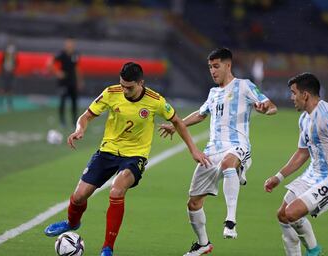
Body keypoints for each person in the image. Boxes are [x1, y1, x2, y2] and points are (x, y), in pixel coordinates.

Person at [44, 62, 210, 256]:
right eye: (122, 85)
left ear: (141, 83)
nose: (124, 90)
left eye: (129, 87)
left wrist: (193, 150)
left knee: (116, 189)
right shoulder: (111, 92)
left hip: (135, 155)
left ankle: (107, 248)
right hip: (107, 151)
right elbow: (86, 116)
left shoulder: (155, 100)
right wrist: (79, 129)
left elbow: (177, 122)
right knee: (79, 196)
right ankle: (72, 223)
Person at [159, 47, 277, 256]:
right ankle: (203, 244)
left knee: (229, 163)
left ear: (228, 65)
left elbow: (270, 105)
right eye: (210, 67)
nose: (212, 71)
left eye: (216, 66)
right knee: (193, 203)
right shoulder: (213, 93)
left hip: (237, 146)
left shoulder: (244, 86)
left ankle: (230, 221)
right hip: (211, 151)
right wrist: (176, 125)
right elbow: (201, 114)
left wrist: (265, 108)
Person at [264, 73, 328, 256]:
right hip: (313, 173)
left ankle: (314, 251)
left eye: (294, 93)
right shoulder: (304, 119)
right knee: (282, 215)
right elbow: (302, 153)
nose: (291, 97)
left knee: (293, 213)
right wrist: (278, 177)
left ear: (305, 95)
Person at [48, 37, 83, 127]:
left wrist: (79, 81)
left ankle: (74, 121)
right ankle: (62, 121)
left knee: (74, 102)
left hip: (73, 82)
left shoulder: (75, 54)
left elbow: (77, 68)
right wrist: (57, 72)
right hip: (63, 82)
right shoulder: (61, 54)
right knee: (62, 101)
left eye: (72, 44)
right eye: (68, 44)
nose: (70, 46)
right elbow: (50, 63)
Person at [0, 41, 18, 111]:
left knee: (9, 90)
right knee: (3, 89)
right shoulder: (5, 55)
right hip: (5, 74)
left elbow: (15, 64)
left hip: (10, 74)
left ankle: (9, 104)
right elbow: (2, 64)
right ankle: (1, 104)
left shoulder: (14, 56)